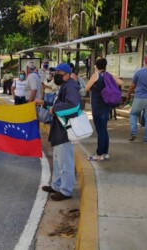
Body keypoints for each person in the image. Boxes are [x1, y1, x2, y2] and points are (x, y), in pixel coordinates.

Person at [35, 63, 81, 201]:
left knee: (65, 161)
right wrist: (45, 103)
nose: (56, 75)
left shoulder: (71, 87)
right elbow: (59, 104)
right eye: (55, 73)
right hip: (59, 128)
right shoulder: (64, 87)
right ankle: (57, 185)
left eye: (59, 73)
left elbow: (73, 105)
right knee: (57, 159)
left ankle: (66, 191)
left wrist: (54, 109)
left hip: (65, 130)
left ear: (67, 74)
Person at [85, 58, 123, 161]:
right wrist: (109, 75)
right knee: (104, 130)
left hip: (97, 106)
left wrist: (96, 74)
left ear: (96, 66)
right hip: (106, 105)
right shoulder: (108, 75)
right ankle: (105, 153)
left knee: (100, 131)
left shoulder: (96, 75)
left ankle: (99, 154)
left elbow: (87, 88)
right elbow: (120, 82)